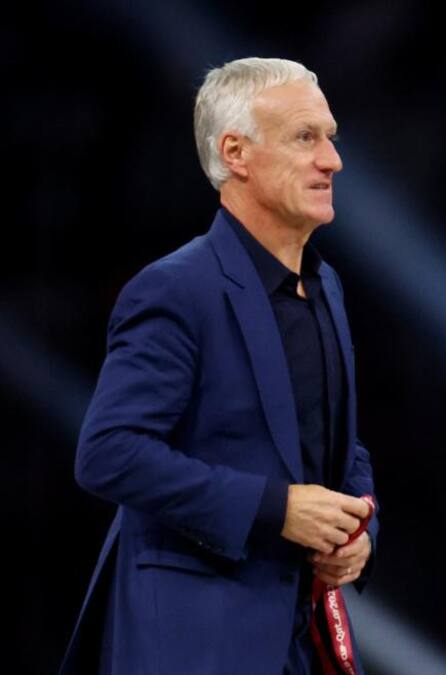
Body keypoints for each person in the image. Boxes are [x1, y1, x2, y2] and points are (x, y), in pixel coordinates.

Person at [59, 57, 381, 674]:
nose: (332, 160)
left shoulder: (327, 287)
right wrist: (275, 509)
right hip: (194, 640)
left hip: (307, 640)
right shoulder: (177, 289)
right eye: (305, 137)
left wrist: (362, 531)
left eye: (330, 138)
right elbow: (109, 450)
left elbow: (337, 446)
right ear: (236, 152)